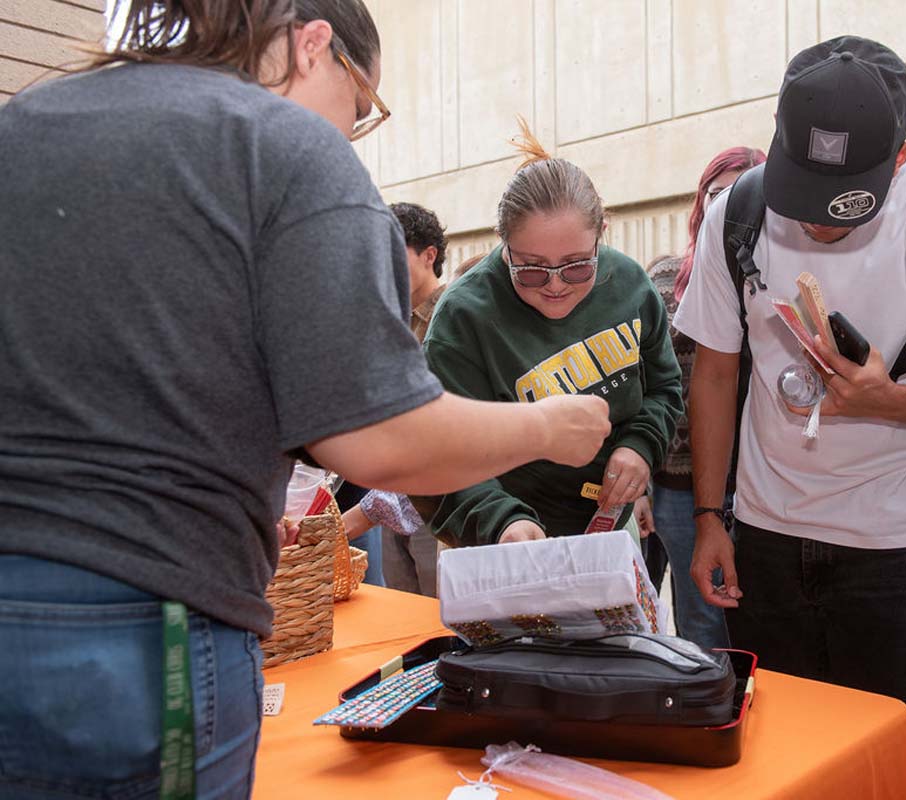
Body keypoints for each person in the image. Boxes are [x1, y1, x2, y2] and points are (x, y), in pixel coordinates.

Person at [0, 2, 610, 794]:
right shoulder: (285, 149)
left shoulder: (28, 121)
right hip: (146, 623)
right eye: (361, 107)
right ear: (312, 44)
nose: (352, 134)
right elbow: (380, 441)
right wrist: (545, 426)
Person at [675, 36, 906, 751]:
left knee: (888, 746)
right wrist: (712, 516)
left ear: (902, 154)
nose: (817, 223)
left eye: (842, 205)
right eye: (803, 191)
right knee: (774, 745)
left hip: (895, 541)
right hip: (765, 538)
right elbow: (714, 371)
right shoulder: (736, 214)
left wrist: (889, 403)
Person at [424, 122, 684, 548]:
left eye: (578, 265)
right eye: (530, 268)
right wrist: (502, 521)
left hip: (611, 527)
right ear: (502, 244)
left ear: (601, 235)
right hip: (509, 537)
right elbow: (441, 454)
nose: (555, 284)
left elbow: (663, 386)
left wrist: (640, 445)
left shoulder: (630, 286)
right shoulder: (463, 319)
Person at [642, 146, 765, 650]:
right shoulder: (666, 280)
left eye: (741, 196)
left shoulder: (776, 278)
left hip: (767, 486)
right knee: (703, 629)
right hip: (680, 485)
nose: (726, 210)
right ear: (700, 203)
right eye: (717, 196)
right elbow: (646, 387)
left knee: (762, 626)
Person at [341, 202, 447, 596]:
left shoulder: (454, 314)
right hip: (387, 495)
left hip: (438, 505)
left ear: (429, 255)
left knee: (442, 621)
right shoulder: (391, 319)